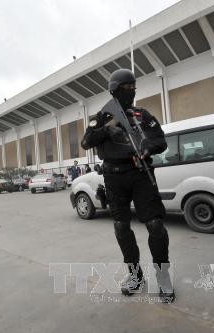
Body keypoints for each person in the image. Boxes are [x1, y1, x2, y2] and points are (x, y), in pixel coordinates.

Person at [81, 68, 174, 303]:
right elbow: (86, 142)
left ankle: (163, 278)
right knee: (121, 227)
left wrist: (148, 147)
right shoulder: (102, 116)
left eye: (133, 88)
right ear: (114, 91)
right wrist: (107, 128)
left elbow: (161, 140)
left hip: (140, 173)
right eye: (125, 89)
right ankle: (135, 277)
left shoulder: (142, 115)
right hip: (114, 178)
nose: (130, 93)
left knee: (155, 225)